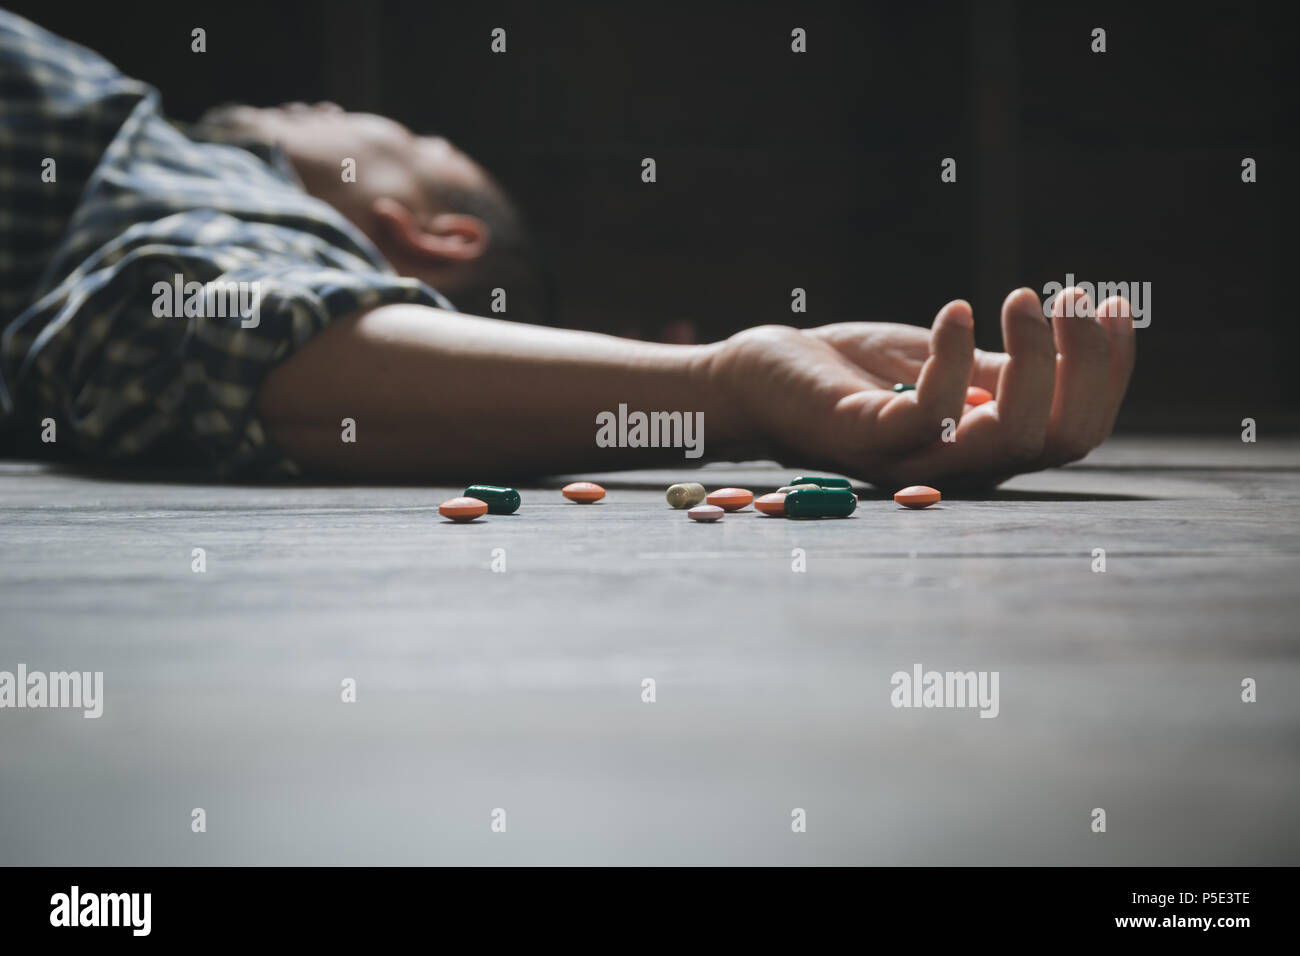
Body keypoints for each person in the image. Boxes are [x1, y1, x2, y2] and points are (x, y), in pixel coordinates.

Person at [0, 11, 1134, 486]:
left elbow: (192, 312)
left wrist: (723, 385)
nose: (326, 103)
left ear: (424, 235)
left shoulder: (213, 185)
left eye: (394, 135)